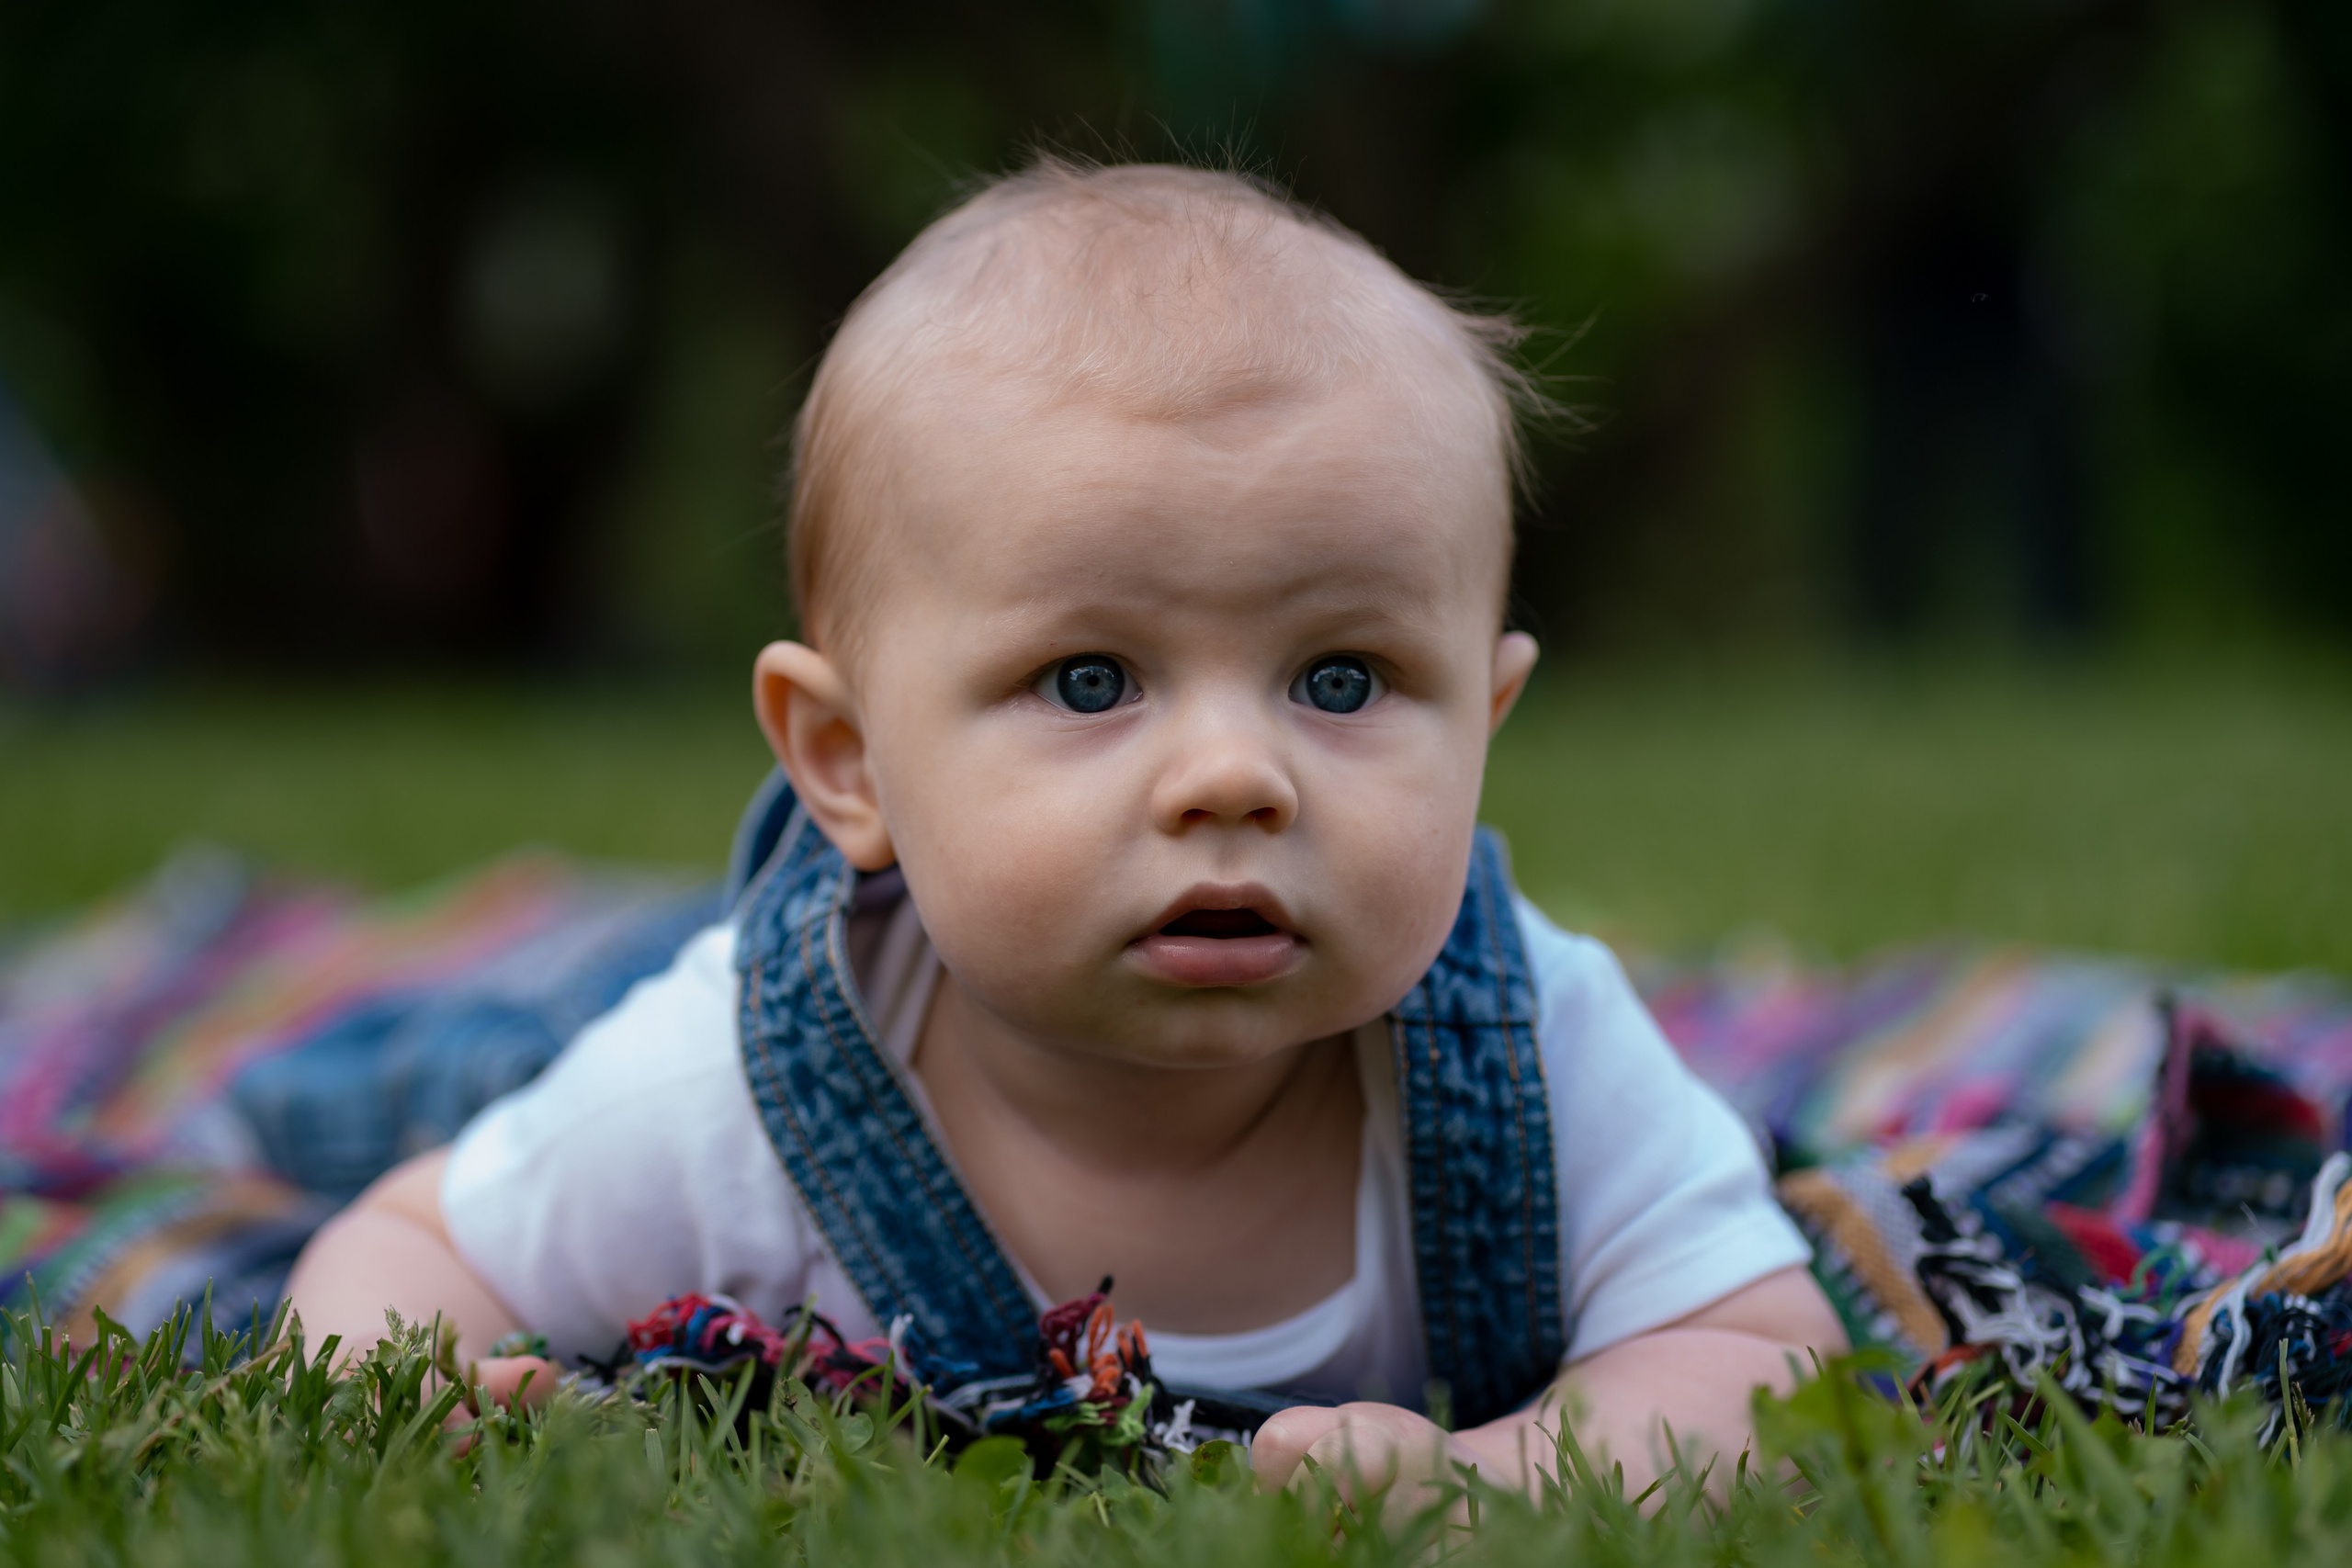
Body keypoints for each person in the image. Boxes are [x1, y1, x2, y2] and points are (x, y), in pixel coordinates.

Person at [285, 159, 1844, 1506]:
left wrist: (1497, 1486)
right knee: (431, 1071)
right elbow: (418, 1244)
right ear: (851, 763)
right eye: (1091, 681)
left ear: (1485, 728)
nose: (1233, 776)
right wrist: (404, 1395)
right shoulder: (727, 1102)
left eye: (1344, 679)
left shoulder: (1534, 1052)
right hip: (702, 1023)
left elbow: (1766, 1362)